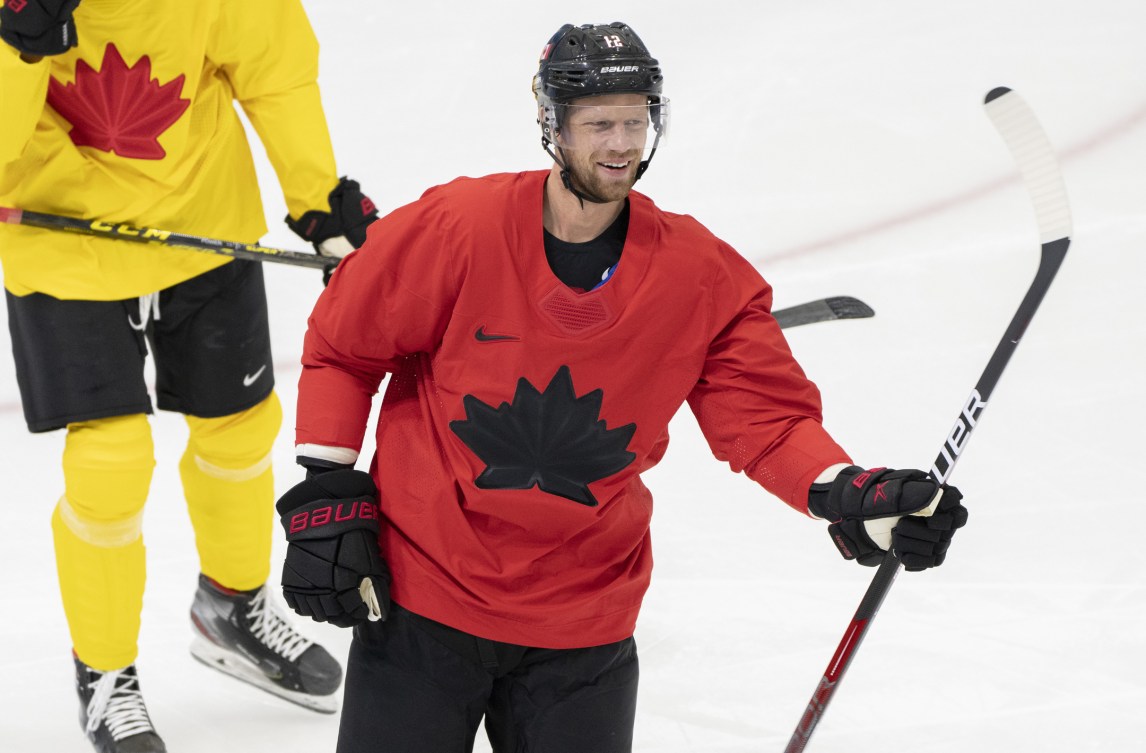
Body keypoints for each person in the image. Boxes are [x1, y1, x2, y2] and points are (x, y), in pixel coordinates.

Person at [275, 21, 969, 753]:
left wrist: (846, 490)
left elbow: (767, 421)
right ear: (553, 125)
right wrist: (327, 483)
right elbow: (342, 346)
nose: (620, 144)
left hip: (584, 624)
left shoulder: (700, 274)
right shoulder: (458, 228)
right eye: (599, 123)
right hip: (423, 602)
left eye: (636, 121)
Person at [0, 1, 379, 752]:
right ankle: (104, 674)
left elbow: (275, 76)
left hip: (203, 223)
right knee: (110, 463)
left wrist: (318, 203)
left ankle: (231, 608)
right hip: (64, 242)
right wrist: (17, 46)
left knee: (242, 430)